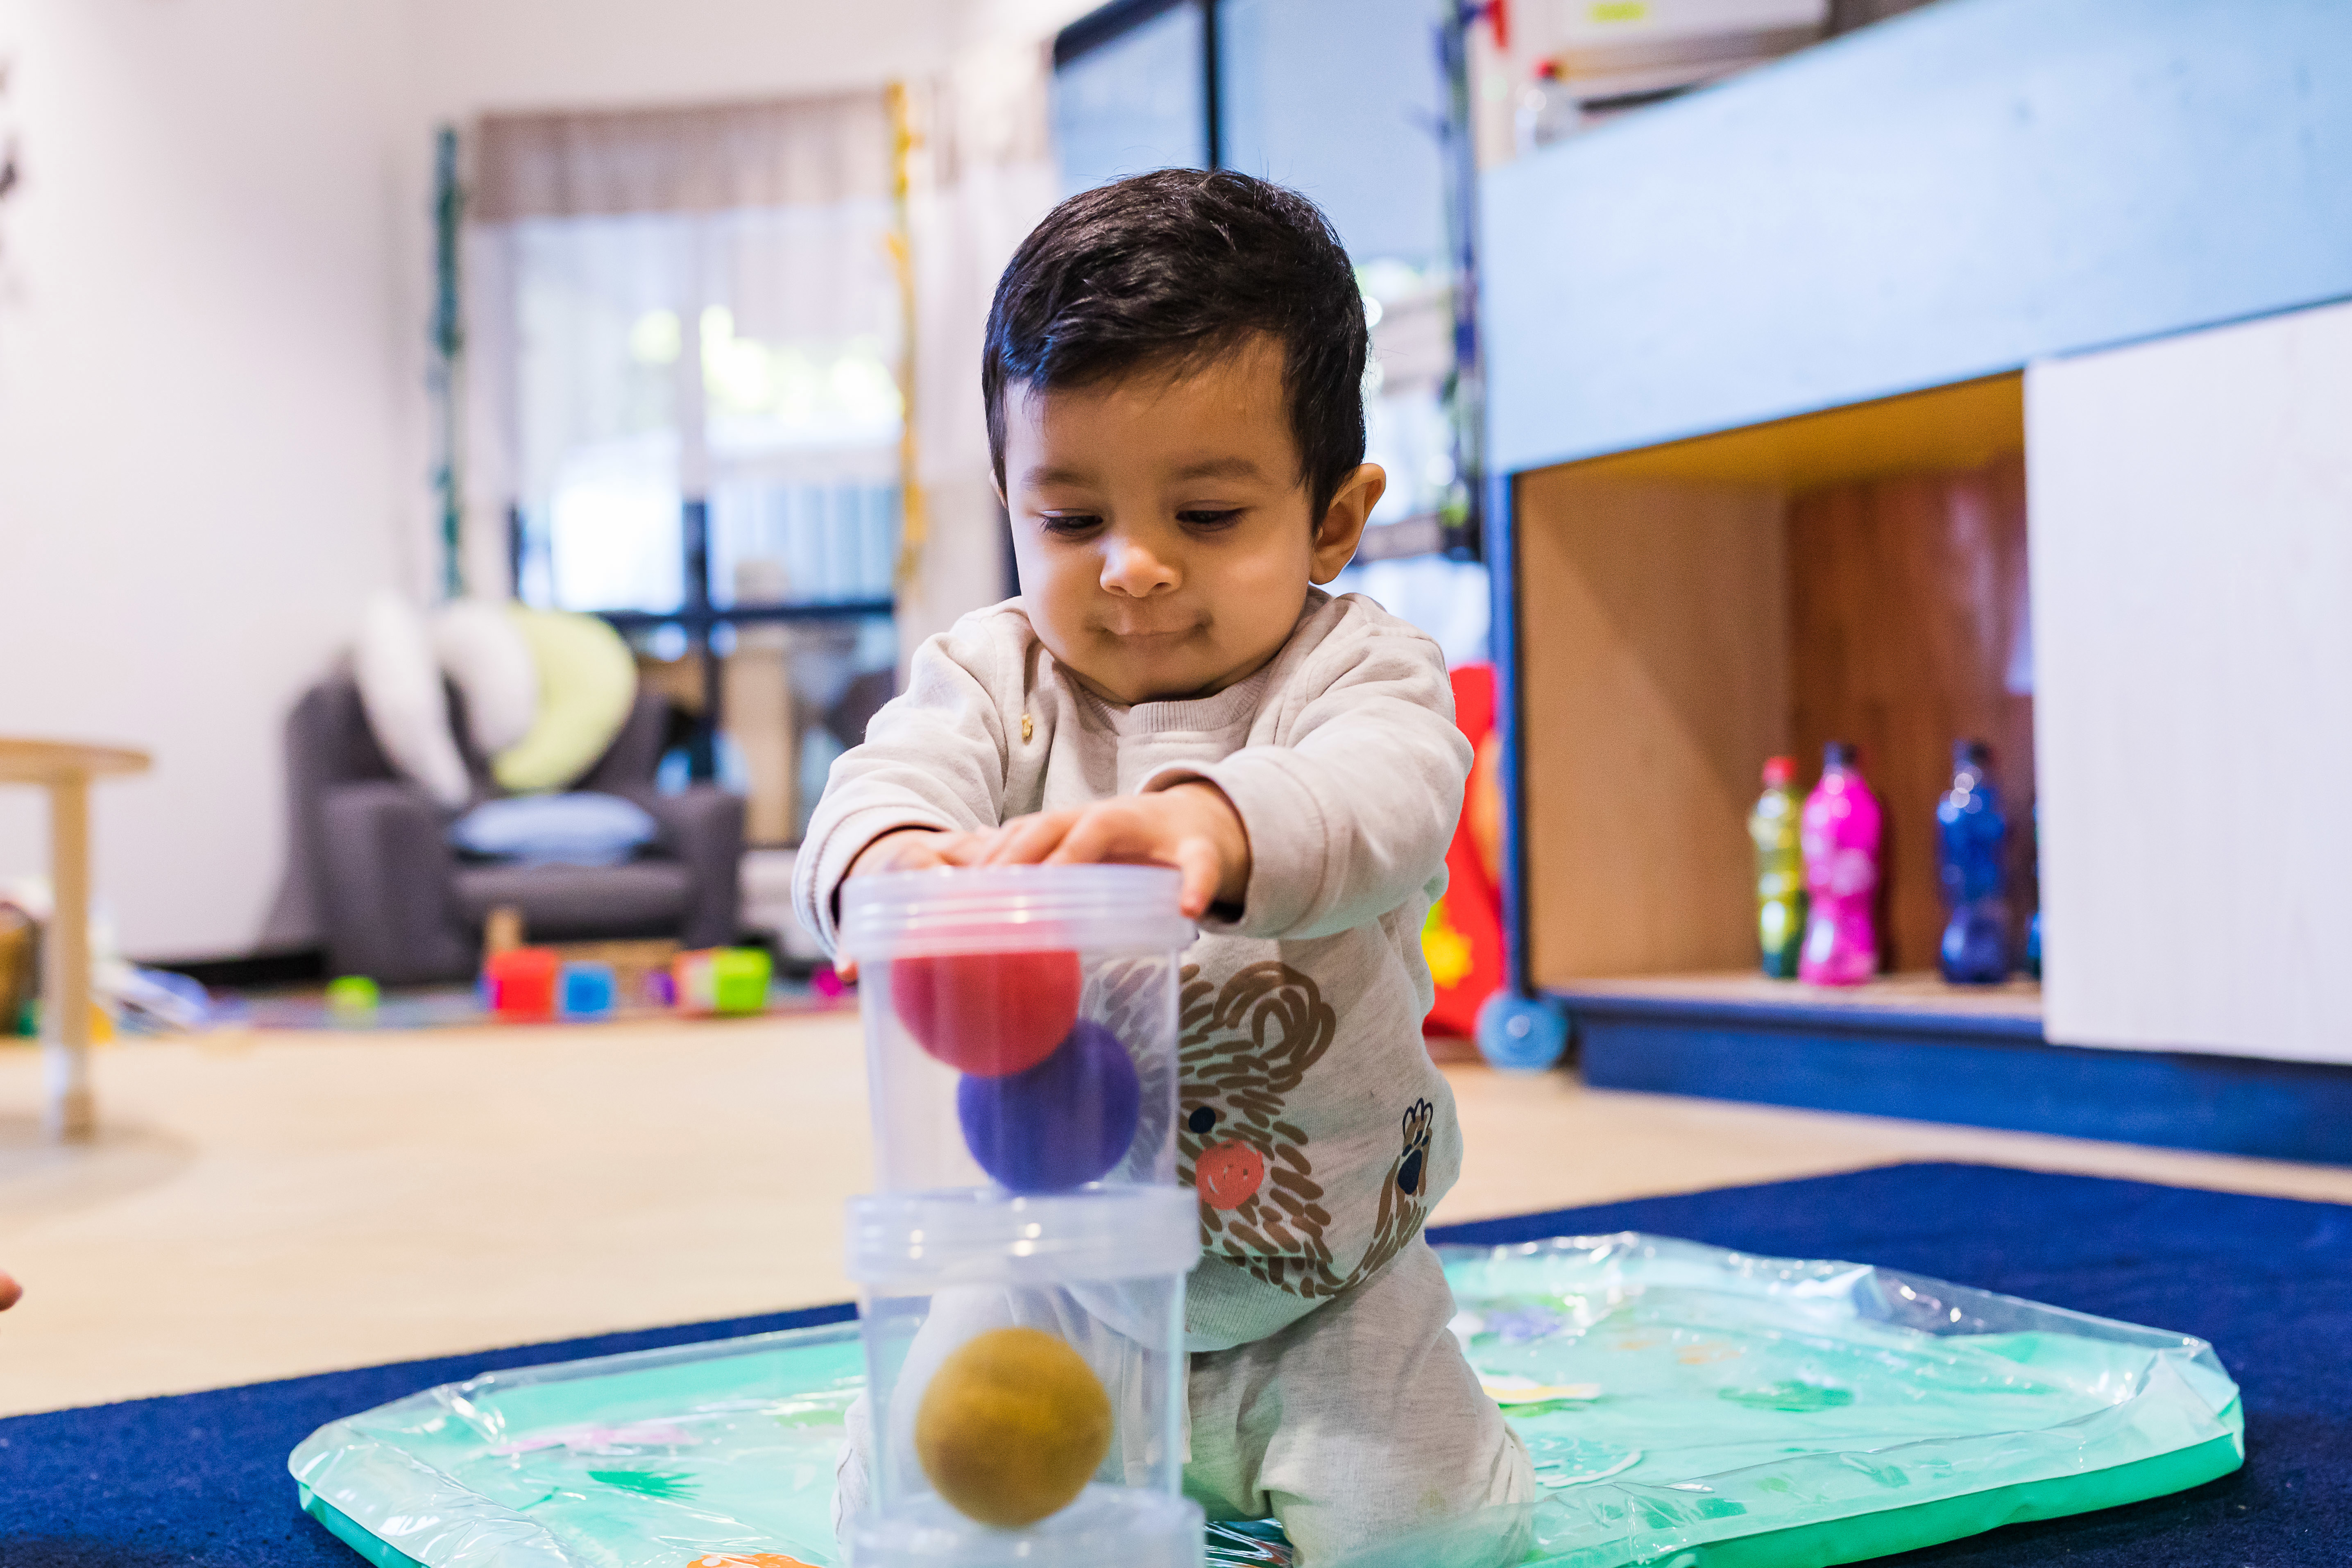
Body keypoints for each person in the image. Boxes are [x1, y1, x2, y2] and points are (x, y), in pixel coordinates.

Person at [793, 168, 1532, 1563]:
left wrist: (1211, 823)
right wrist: (896, 859)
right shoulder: (992, 676)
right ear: (1010, 502)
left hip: (1327, 1291)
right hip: (1049, 1279)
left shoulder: (1362, 671)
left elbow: (1386, 799)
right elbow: (876, 790)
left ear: (1331, 515)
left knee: (1426, 1538)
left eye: (1204, 515)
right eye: (1070, 520)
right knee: (918, 1501)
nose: (1130, 567)